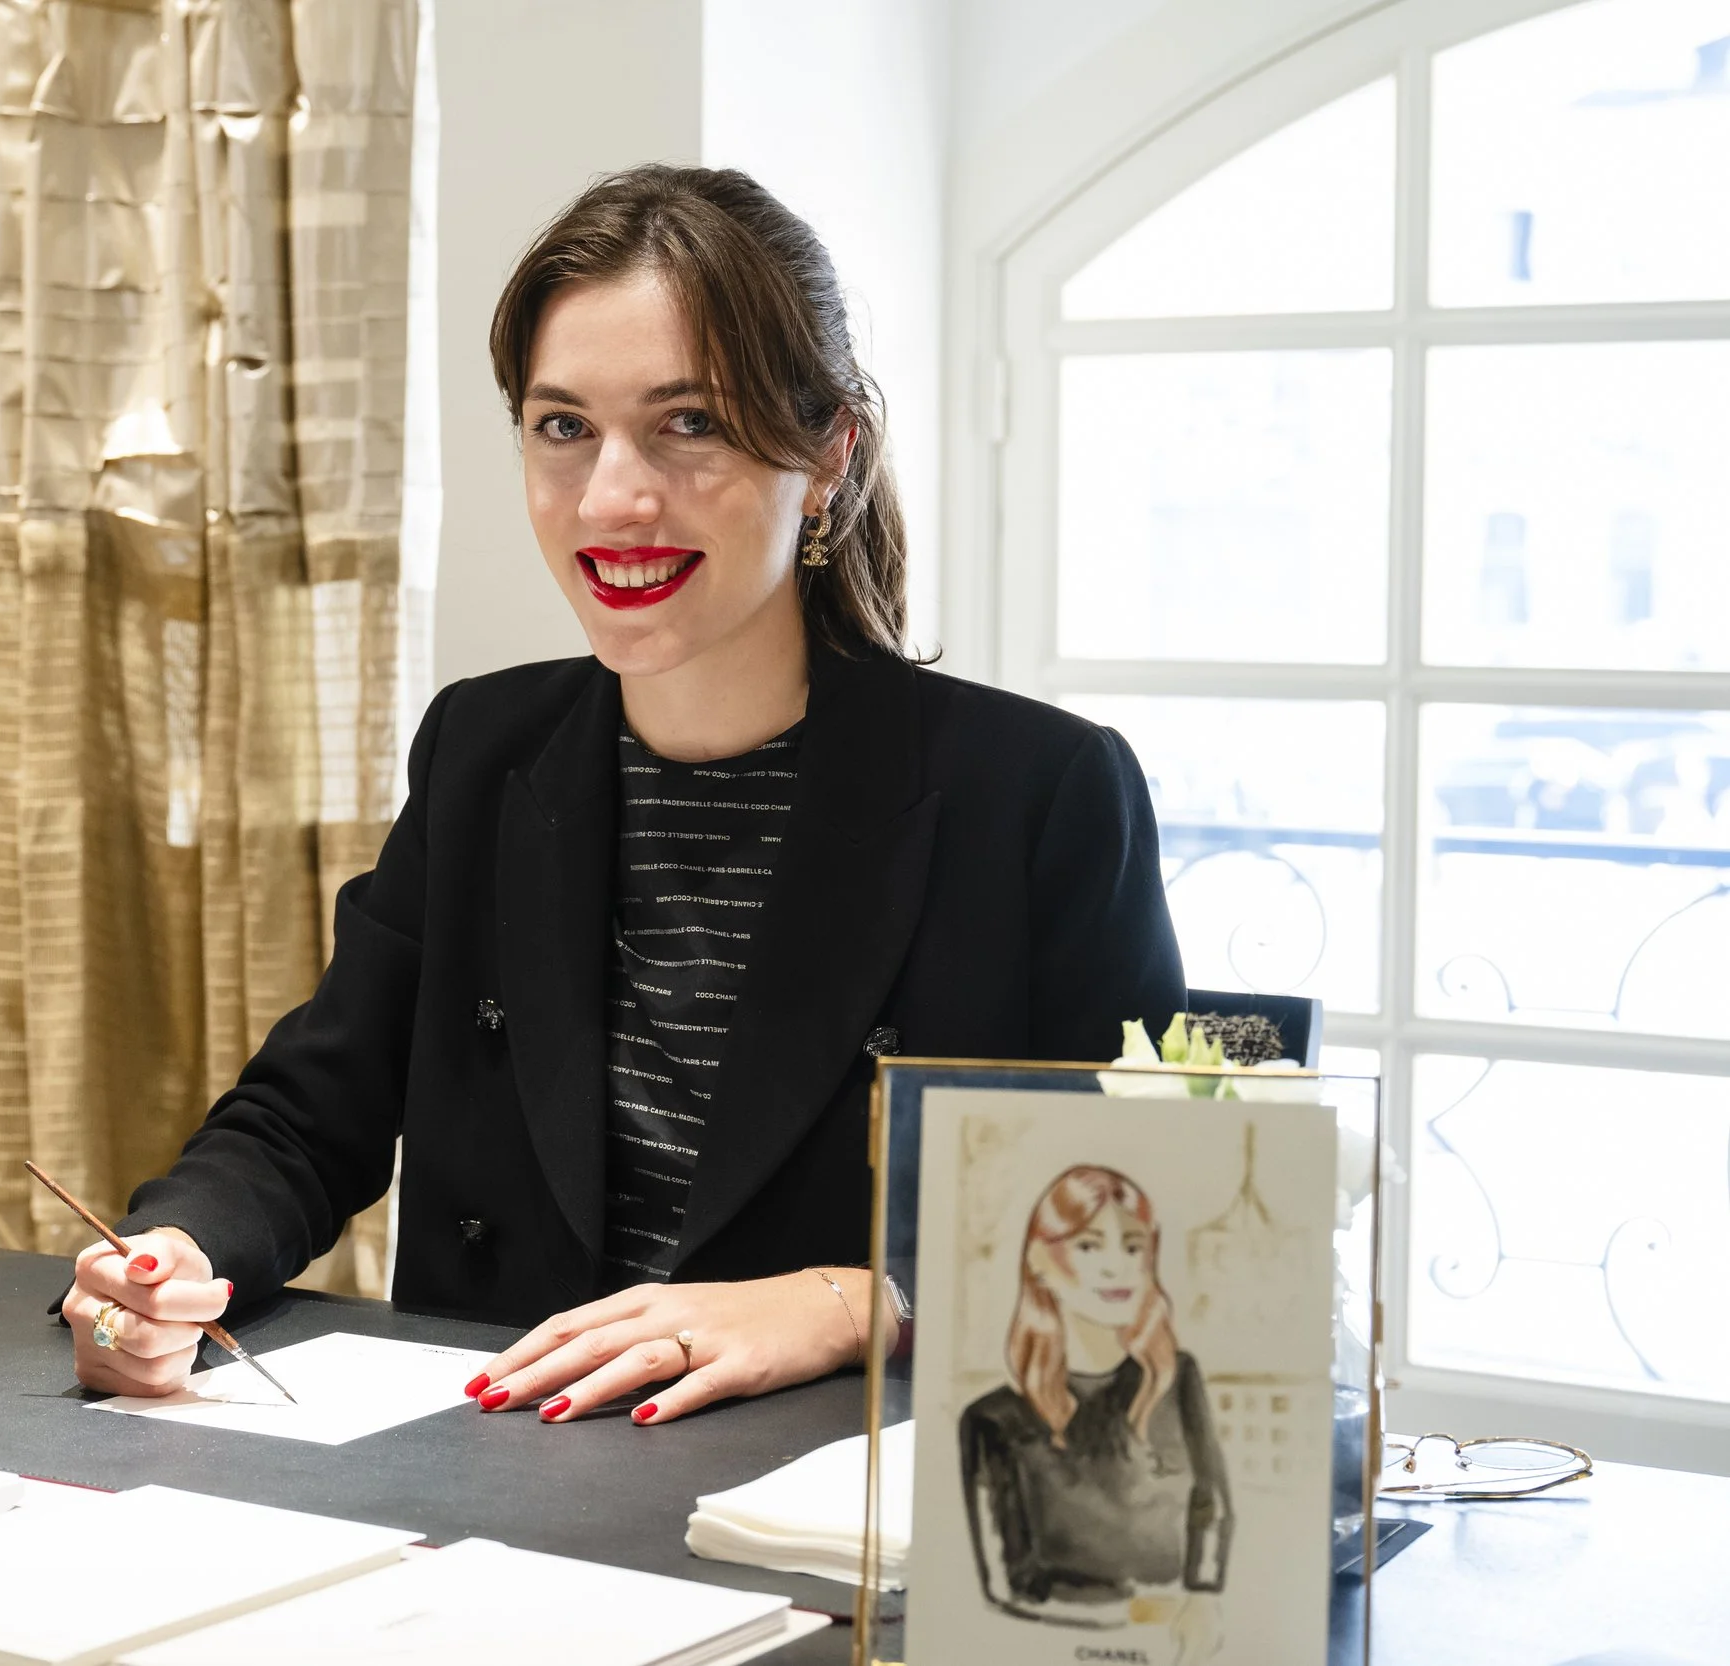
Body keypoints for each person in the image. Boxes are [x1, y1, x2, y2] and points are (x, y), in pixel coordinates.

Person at [62, 164, 1185, 1426]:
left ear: (828, 454)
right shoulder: (483, 746)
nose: (610, 498)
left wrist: (845, 1300)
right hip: (491, 1472)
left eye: (687, 422)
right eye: (563, 427)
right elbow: (304, 1116)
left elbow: (1145, 1214)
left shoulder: (1036, 792)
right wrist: (168, 1259)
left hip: (832, 1498)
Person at [960, 1166, 1230, 1661]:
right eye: (1088, 1246)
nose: (1117, 1267)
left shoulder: (1177, 1377)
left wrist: (1205, 1601)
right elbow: (1006, 1586)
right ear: (1039, 1259)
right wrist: (1146, 1616)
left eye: (1132, 1246)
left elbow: (1210, 1506)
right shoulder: (993, 1420)